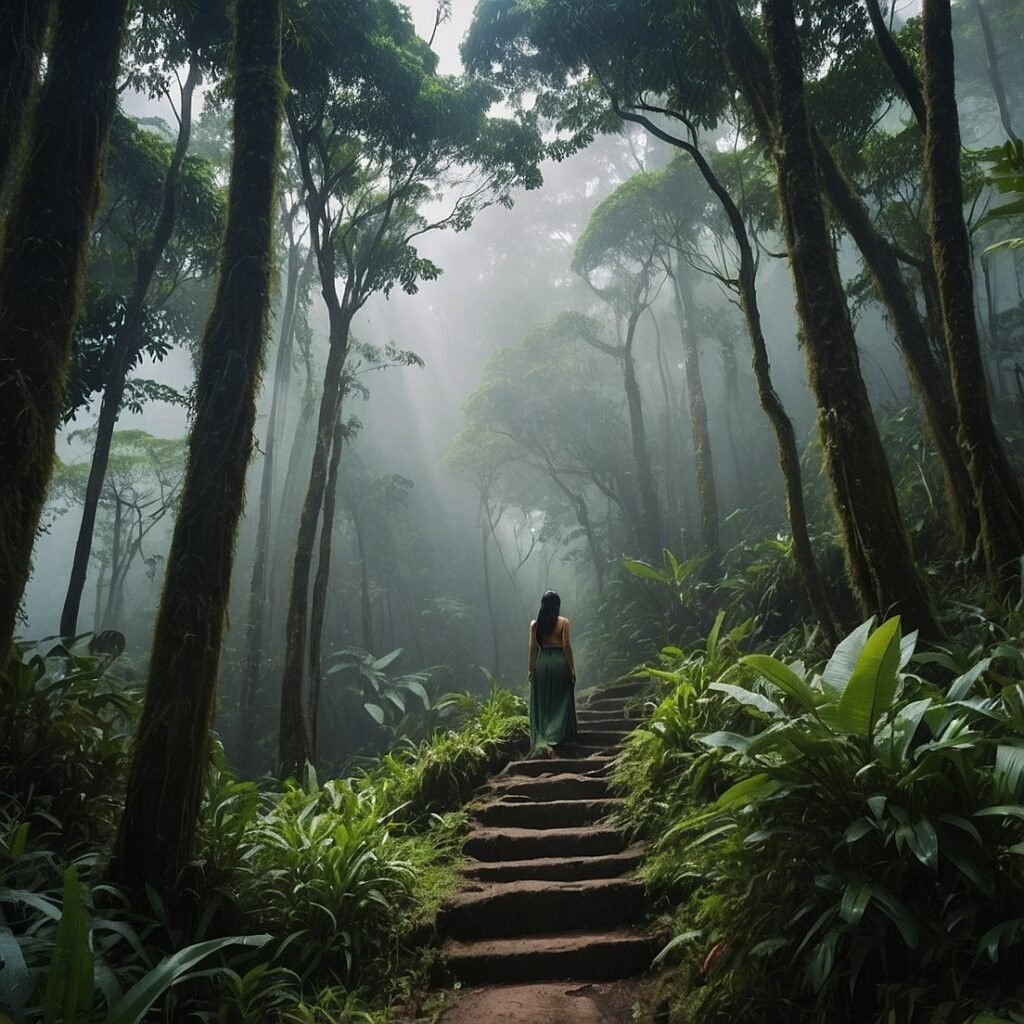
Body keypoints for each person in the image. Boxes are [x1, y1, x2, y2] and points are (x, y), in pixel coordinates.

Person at [527, 590, 578, 757]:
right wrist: (571, 668)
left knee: (543, 702)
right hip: (558, 662)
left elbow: (533, 649)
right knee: (561, 699)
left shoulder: (535, 625)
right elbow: (566, 646)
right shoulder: (563, 622)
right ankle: (555, 736)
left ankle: (543, 740)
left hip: (542, 663)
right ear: (557, 606)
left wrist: (530, 669)